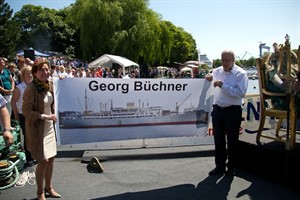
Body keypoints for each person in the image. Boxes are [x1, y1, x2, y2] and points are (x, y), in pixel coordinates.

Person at [205, 49, 248, 177]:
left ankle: (231, 167)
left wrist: (223, 86)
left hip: (233, 111)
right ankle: (220, 166)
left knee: (232, 140)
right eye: (222, 60)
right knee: (218, 140)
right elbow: (209, 84)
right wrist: (207, 78)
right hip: (218, 109)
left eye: (227, 60)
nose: (224, 63)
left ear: (233, 60)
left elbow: (241, 93)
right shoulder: (216, 71)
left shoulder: (241, 74)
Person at [22, 59, 61, 200]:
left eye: (46, 69)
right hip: (38, 130)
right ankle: (40, 193)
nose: (45, 72)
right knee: (43, 161)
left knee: (51, 159)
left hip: (49, 128)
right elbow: (26, 111)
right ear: (35, 73)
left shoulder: (48, 85)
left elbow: (58, 92)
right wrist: (45, 116)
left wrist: (62, 80)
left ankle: (49, 187)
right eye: (41, 70)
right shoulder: (31, 89)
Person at [11, 65, 34, 166]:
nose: (29, 75)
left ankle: (35, 155)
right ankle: (29, 158)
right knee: (27, 137)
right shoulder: (19, 88)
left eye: (31, 73)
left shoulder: (35, 86)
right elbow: (13, 102)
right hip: (24, 115)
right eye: (27, 73)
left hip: (34, 115)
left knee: (35, 135)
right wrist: (16, 115)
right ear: (23, 75)